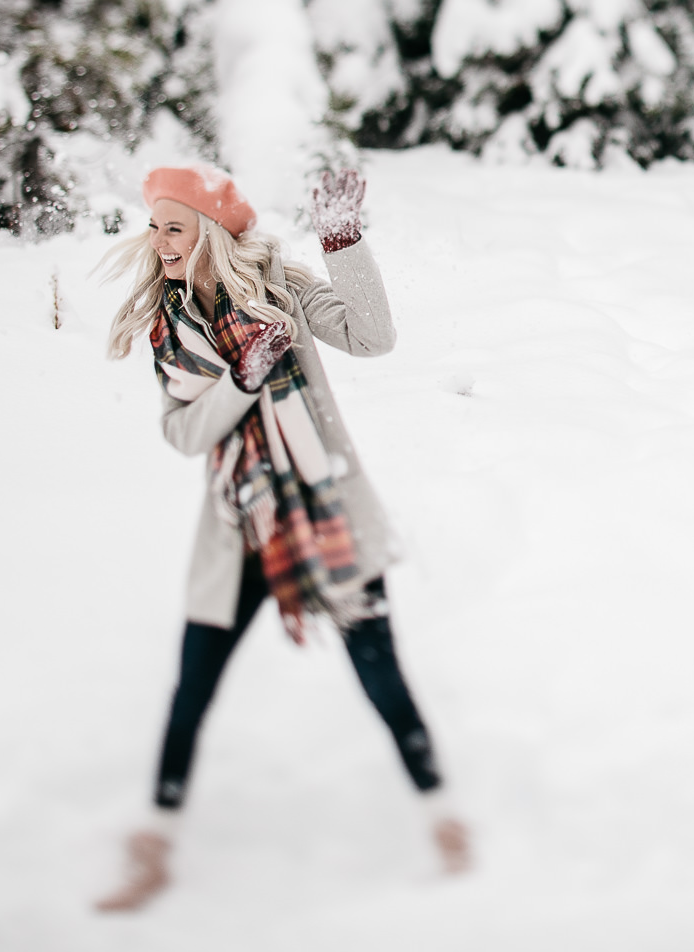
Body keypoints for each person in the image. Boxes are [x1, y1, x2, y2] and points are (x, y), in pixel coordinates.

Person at [94, 165, 468, 911]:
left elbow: (373, 336)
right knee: (192, 687)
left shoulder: (281, 292)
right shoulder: (170, 330)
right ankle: (156, 844)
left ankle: (443, 821)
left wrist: (342, 239)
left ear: (207, 230)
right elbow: (183, 432)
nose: (161, 241)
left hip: (323, 514)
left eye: (175, 225)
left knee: (379, 673)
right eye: (155, 227)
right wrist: (242, 379)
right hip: (241, 528)